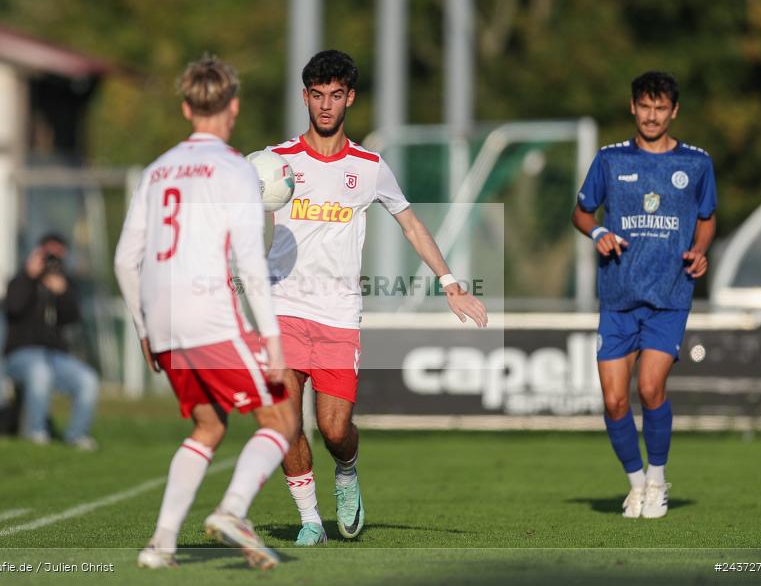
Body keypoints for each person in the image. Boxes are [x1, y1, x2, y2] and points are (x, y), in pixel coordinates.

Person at [266, 50, 487, 546]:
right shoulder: (276, 162)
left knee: (334, 429)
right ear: (305, 97)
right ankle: (309, 521)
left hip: (339, 316)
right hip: (282, 307)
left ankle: (347, 473)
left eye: (335, 95)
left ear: (351, 98)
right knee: (282, 421)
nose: (326, 105)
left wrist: (450, 282)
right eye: (317, 95)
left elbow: (409, 223)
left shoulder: (369, 166)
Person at [114, 55, 297, 571]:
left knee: (208, 427)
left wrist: (143, 329)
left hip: (164, 321)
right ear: (232, 107)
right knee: (281, 416)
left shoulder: (155, 170)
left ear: (186, 108)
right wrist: (274, 344)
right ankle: (234, 511)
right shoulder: (234, 169)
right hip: (211, 315)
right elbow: (248, 263)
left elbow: (124, 259)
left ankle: (162, 544)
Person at [571, 71, 717, 519]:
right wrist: (597, 231)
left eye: (661, 108)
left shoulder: (696, 163)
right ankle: (636, 485)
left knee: (651, 387)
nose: (652, 116)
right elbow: (581, 212)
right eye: (645, 106)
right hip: (617, 296)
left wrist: (699, 249)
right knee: (614, 400)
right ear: (632, 107)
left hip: (669, 296)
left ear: (674, 111)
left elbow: (707, 216)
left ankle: (657, 480)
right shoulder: (610, 160)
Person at [3, 233, 100, 450]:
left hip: (55, 356)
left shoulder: (65, 285)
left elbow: (73, 318)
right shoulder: (20, 280)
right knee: (40, 371)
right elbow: (13, 307)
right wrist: (29, 276)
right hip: (22, 354)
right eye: (49, 255)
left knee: (88, 380)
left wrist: (62, 293)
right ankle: (36, 433)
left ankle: (76, 435)